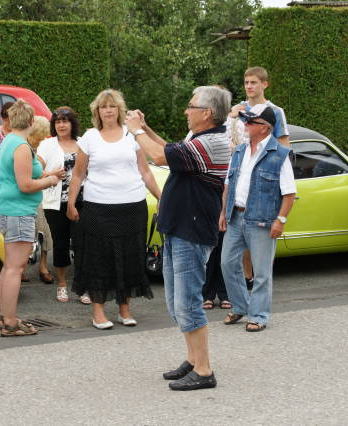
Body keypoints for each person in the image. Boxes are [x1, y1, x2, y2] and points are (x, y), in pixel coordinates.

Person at [126, 85, 232, 391]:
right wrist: (144, 127)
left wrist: (135, 131)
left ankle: (204, 370)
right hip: (179, 229)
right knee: (177, 303)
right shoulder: (199, 139)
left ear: (207, 113)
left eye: (190, 106)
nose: (186, 111)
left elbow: (158, 154)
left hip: (191, 232)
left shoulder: (213, 142)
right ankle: (192, 359)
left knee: (188, 302)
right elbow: (169, 153)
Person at [67, 89, 160, 330]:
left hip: (132, 206)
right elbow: (78, 174)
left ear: (119, 109)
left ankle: (124, 309)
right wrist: (71, 202)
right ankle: (98, 312)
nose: (107, 110)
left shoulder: (132, 135)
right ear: (96, 112)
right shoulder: (89, 138)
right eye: (103, 107)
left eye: (112, 106)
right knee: (99, 259)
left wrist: (162, 197)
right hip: (99, 207)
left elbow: (146, 171)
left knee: (130, 257)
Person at [220, 105, 296, 332]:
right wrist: (223, 212)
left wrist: (280, 220)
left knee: (261, 272)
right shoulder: (240, 151)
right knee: (227, 263)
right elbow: (228, 184)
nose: (245, 125)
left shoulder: (279, 154)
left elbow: (289, 193)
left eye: (251, 122)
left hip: (262, 221)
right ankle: (240, 305)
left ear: (265, 128)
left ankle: (259, 315)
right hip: (236, 217)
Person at [0, 99, 59, 337]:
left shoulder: (8, 141)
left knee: (9, 266)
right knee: (15, 267)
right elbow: (25, 185)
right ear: (31, 121)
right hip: (17, 211)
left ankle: (5, 317)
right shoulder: (21, 146)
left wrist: (46, 175)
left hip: (8, 208)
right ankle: (10, 322)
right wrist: (50, 181)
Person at [228, 66, 291, 289]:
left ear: (265, 84)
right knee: (240, 230)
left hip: (263, 175)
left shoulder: (275, 111)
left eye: (254, 82)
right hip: (238, 173)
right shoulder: (238, 111)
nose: (249, 87)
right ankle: (247, 277)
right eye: (246, 83)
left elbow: (283, 145)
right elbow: (229, 139)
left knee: (259, 232)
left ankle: (260, 279)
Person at [38, 107, 91, 304]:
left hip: (81, 202)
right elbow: (34, 170)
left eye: (65, 121)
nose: (61, 125)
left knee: (82, 245)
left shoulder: (82, 144)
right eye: (57, 121)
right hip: (55, 203)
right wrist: (50, 174)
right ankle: (61, 284)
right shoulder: (47, 144)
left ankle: (82, 287)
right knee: (60, 244)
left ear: (72, 124)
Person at [26, 115, 56, 287]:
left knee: (44, 230)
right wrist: (50, 176)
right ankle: (21, 268)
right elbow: (31, 174)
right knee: (32, 230)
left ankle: (43, 267)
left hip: (42, 195)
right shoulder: (26, 149)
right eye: (43, 134)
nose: (45, 138)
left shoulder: (39, 148)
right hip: (31, 195)